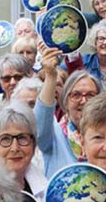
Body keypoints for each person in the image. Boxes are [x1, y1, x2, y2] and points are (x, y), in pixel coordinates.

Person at [36, 47, 102, 177]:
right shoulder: (53, 135)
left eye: (90, 95)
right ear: (65, 102)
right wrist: (50, 76)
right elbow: (40, 123)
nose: (83, 101)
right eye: (76, 95)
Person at [63, 20, 106, 89]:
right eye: (101, 39)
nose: (105, 42)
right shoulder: (85, 61)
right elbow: (61, 71)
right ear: (95, 43)